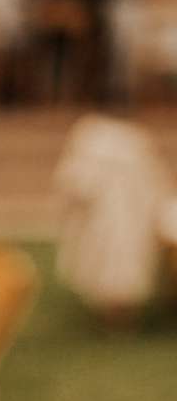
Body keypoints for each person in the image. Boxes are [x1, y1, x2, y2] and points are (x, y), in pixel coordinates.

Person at [54, 113, 175, 323]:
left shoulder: (99, 149)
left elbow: (74, 185)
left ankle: (121, 312)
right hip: (118, 226)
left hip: (120, 225)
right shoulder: (129, 152)